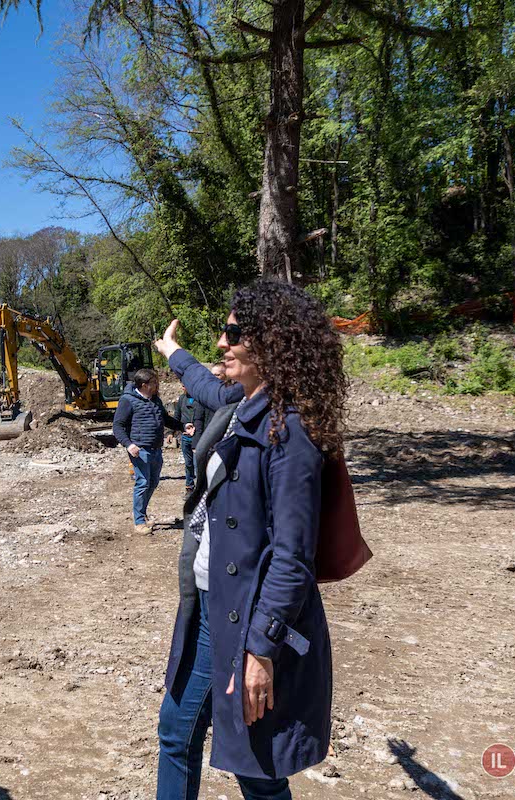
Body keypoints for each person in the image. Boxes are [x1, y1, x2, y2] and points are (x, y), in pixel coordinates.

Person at [151, 279, 347, 800]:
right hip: (210, 603)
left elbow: (293, 558)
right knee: (177, 733)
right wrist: (174, 353)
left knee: (257, 769)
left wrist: (261, 650)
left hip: (249, 617)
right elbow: (205, 385)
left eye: (233, 332)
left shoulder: (291, 432)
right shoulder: (241, 400)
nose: (222, 342)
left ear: (272, 343)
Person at [112, 368, 183, 534]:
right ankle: (138, 522)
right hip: (140, 449)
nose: (157, 385)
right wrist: (129, 444)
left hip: (156, 449)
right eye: (154, 382)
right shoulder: (128, 400)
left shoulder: (155, 400)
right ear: (144, 385)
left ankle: (142, 514)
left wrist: (182, 427)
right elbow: (118, 426)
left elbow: (165, 419)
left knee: (153, 482)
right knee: (142, 483)